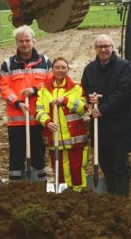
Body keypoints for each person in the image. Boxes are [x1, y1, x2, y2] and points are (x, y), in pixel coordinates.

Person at [80, 34, 131, 196]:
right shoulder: (90, 69)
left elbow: (123, 92)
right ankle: (112, 196)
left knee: (120, 164)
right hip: (100, 127)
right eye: (100, 47)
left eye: (106, 46)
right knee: (105, 164)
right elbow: (86, 88)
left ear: (112, 47)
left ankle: (123, 198)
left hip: (119, 125)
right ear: (95, 49)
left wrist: (103, 108)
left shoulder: (124, 67)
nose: (103, 49)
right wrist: (90, 98)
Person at [0, 25, 50, 181]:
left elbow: (50, 84)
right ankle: (17, 187)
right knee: (16, 153)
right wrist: (18, 103)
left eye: (27, 40)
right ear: (16, 43)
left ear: (33, 41)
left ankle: (40, 184)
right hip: (17, 120)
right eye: (21, 41)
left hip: (38, 118)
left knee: (38, 152)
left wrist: (35, 89)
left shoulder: (45, 61)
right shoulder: (7, 64)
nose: (24, 44)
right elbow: (4, 88)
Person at [36, 57, 89, 191]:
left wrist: (65, 100)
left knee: (76, 167)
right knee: (58, 168)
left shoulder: (76, 88)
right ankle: (63, 196)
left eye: (63, 67)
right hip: (54, 137)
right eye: (57, 67)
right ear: (52, 69)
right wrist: (47, 122)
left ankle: (78, 194)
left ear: (68, 69)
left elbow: (83, 108)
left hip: (74, 137)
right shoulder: (43, 90)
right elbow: (39, 111)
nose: (60, 70)